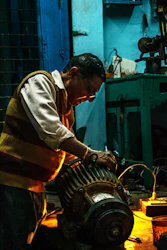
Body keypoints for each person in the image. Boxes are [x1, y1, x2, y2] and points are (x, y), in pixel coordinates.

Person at [0, 52, 117, 250]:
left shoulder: (65, 105)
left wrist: (92, 167)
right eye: (89, 90)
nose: (89, 99)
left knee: (25, 240)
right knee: (14, 243)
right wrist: (91, 154)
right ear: (73, 73)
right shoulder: (39, 83)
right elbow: (52, 131)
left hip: (33, 187)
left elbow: (65, 149)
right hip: (13, 183)